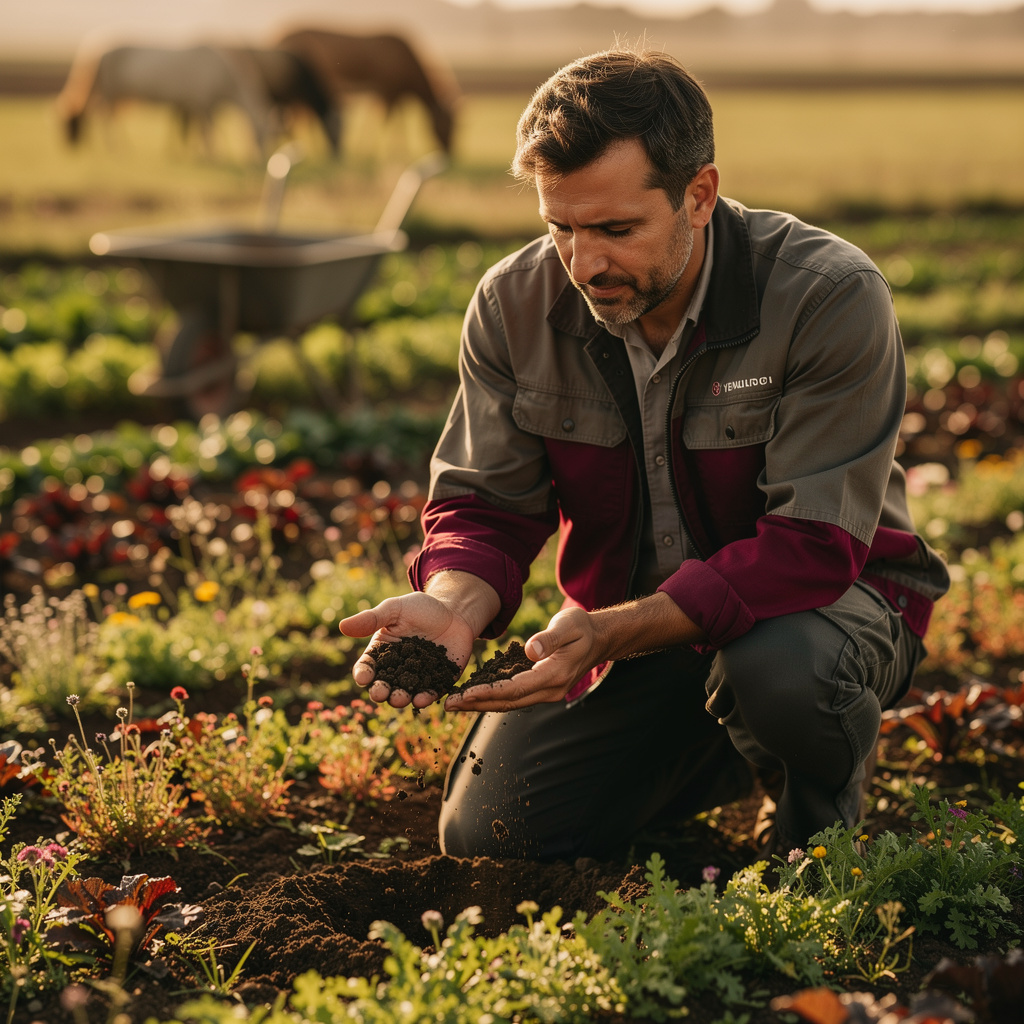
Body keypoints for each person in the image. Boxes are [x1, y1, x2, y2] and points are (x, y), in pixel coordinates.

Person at [339, 48, 950, 867]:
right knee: (492, 837)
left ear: (699, 195)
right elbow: (485, 506)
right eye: (561, 228)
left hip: (824, 609)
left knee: (778, 668)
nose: (584, 263)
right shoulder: (514, 305)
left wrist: (608, 632)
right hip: (636, 633)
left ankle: (817, 832)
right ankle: (716, 748)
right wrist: (455, 604)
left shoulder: (824, 294)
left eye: (616, 230)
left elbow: (812, 547)